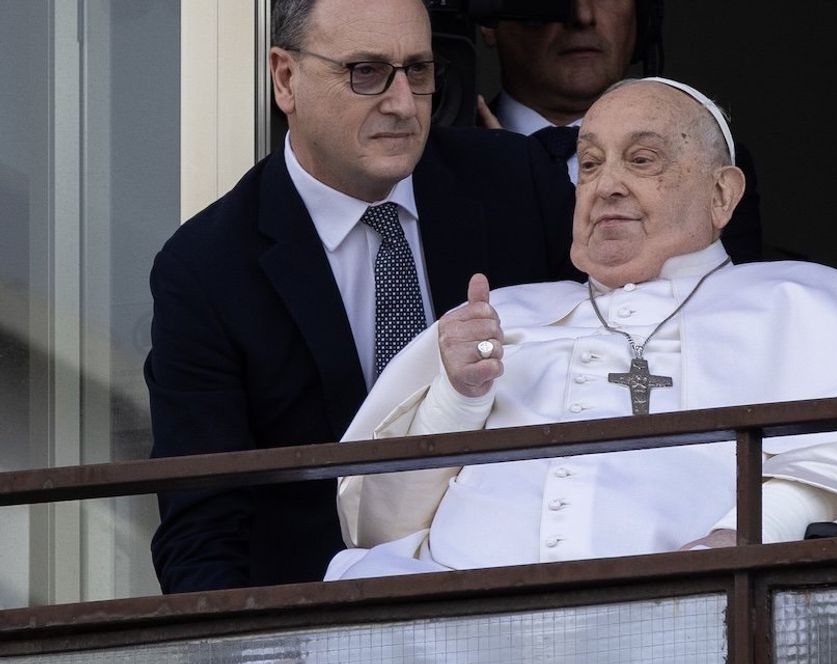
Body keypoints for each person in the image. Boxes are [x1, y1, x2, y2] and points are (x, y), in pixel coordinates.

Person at [325, 78, 837, 580]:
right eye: (589, 164)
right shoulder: (504, 316)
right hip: (457, 645)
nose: (606, 185)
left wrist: (737, 546)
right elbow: (378, 525)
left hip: (689, 625)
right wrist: (458, 399)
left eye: (642, 159)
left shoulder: (803, 303)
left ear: (722, 195)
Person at [145, 0, 579, 593]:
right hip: (324, 633)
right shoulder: (207, 269)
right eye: (366, 73)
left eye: (419, 71)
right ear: (285, 78)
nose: (403, 104)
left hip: (526, 598)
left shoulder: (517, 184)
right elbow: (203, 529)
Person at [477, 0, 766, 263]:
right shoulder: (439, 162)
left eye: (642, 160)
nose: (582, 15)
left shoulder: (708, 161)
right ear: (487, 16)